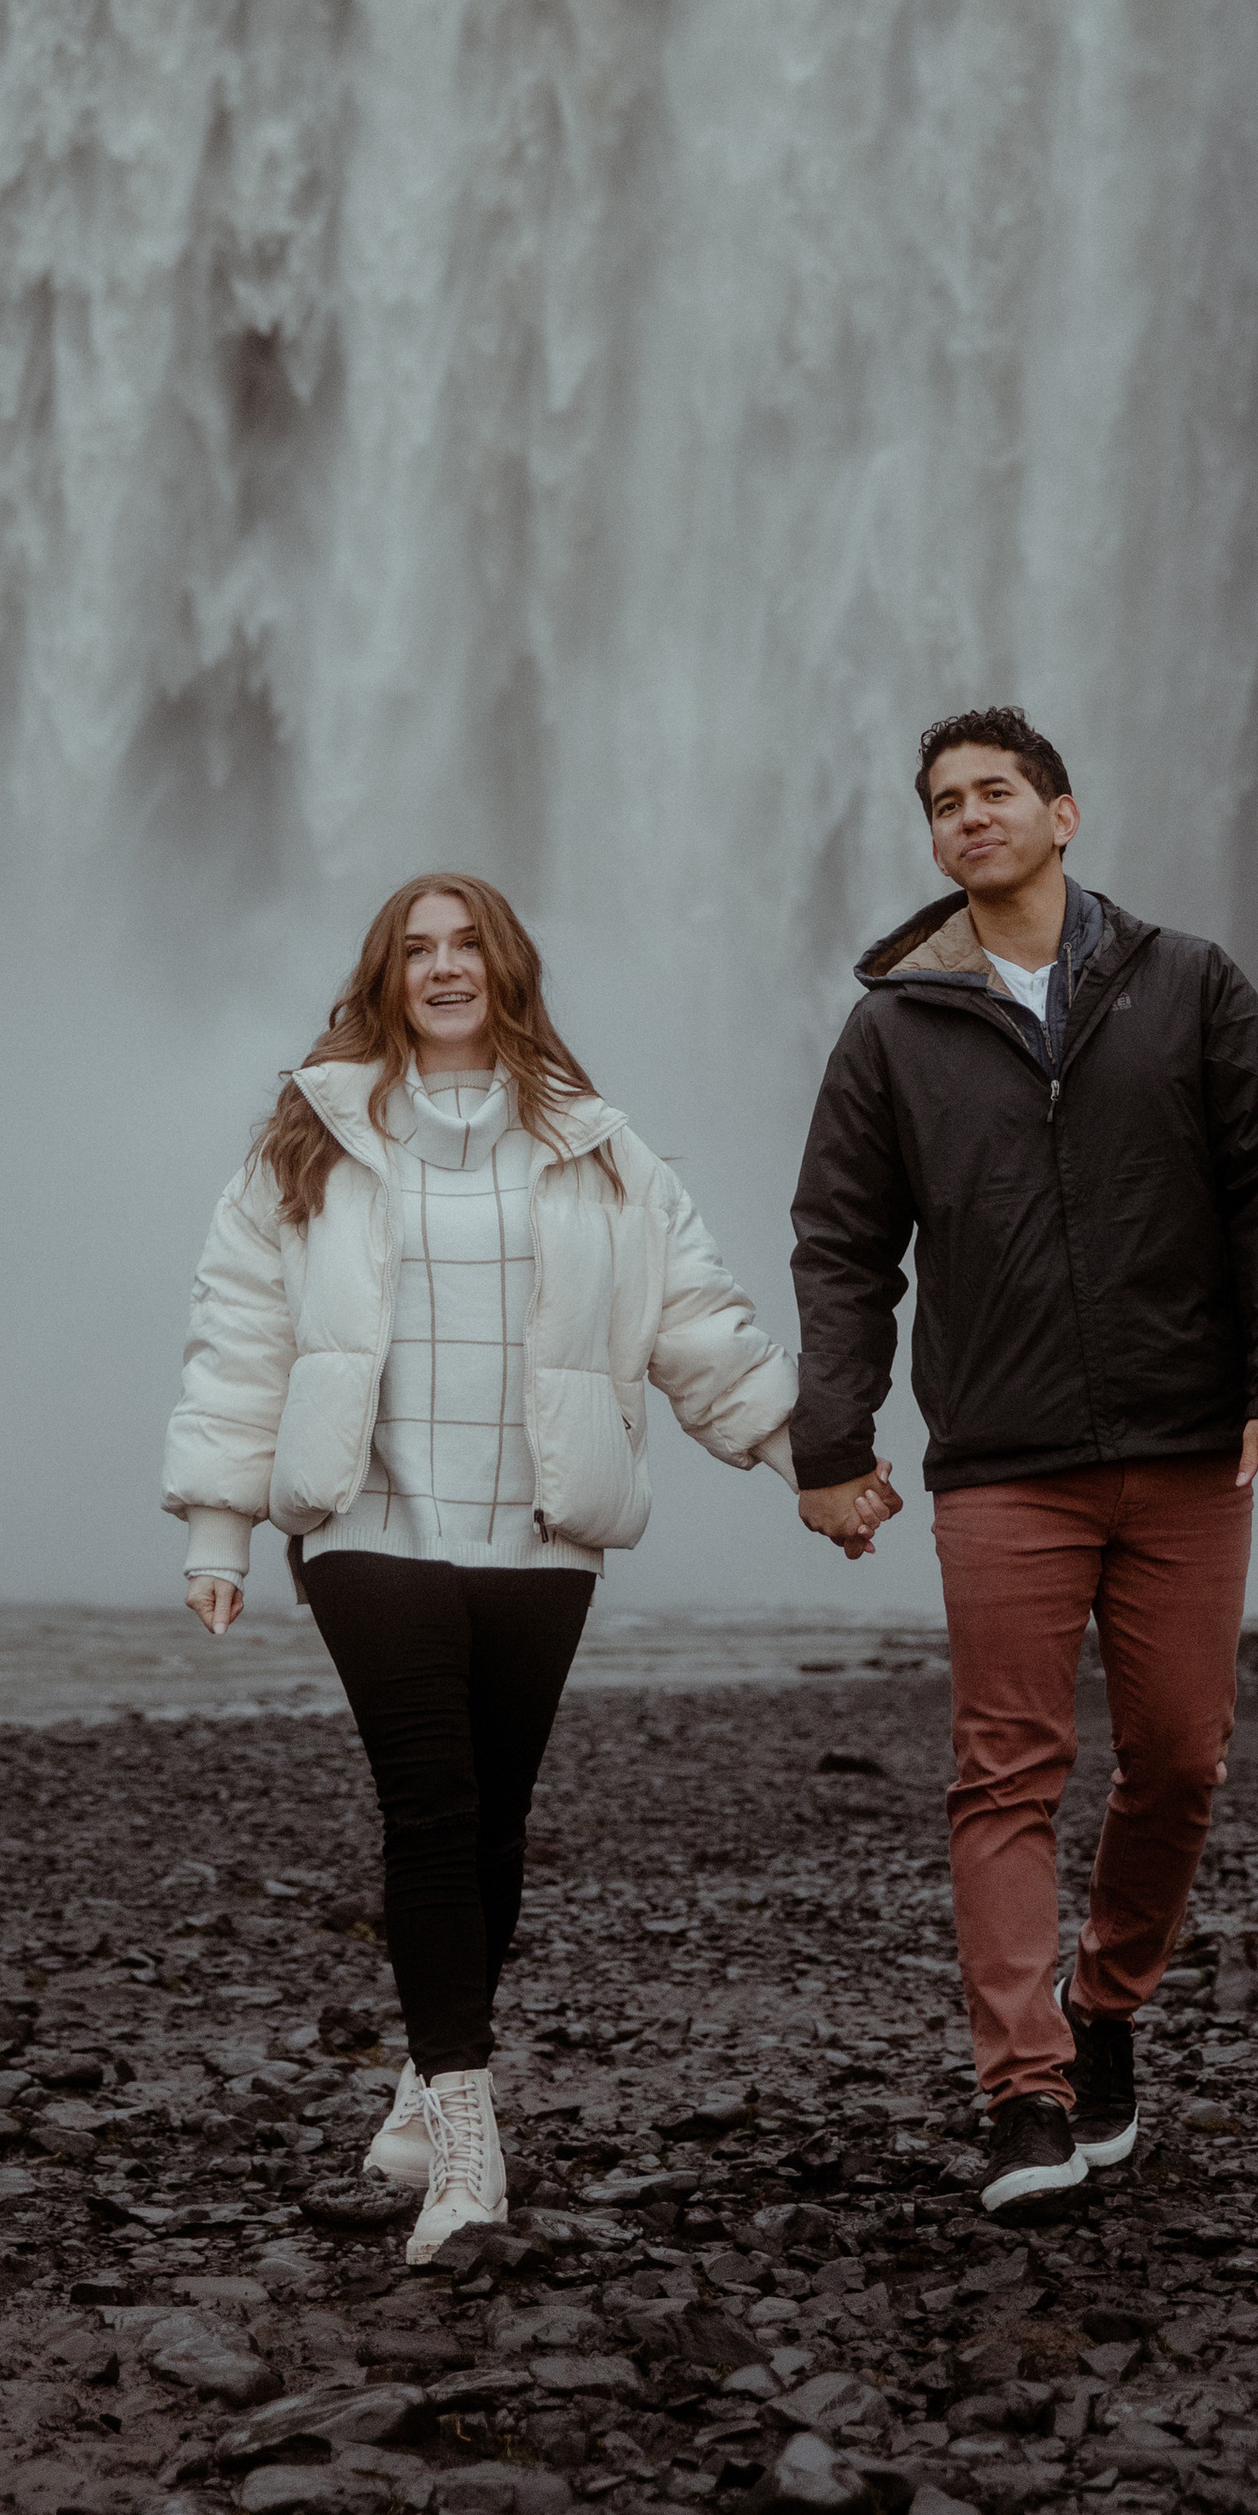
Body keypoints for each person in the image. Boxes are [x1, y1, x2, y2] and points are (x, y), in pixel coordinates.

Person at [163, 872, 807, 2262]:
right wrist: (220, 1523)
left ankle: (420, 2070)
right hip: (366, 1520)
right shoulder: (308, 1142)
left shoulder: (604, 1149)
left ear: (505, 968)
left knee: (496, 1818)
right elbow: (242, 1337)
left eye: (467, 947)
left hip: (539, 1528)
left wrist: (800, 1456)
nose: (444, 968)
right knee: (433, 1806)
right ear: (384, 976)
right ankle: (467, 2132)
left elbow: (693, 1315)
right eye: (417, 950)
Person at [786, 708, 1258, 2215]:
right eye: (947, 802)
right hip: (1005, 1460)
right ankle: (1022, 2091)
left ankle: (1107, 2002)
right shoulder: (893, 1028)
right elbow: (842, 1249)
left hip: (1181, 1445)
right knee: (1005, 1773)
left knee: (1177, 1758)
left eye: (998, 793)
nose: (972, 817)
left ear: (1064, 814)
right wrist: (833, 1444)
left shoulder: (1189, 987)